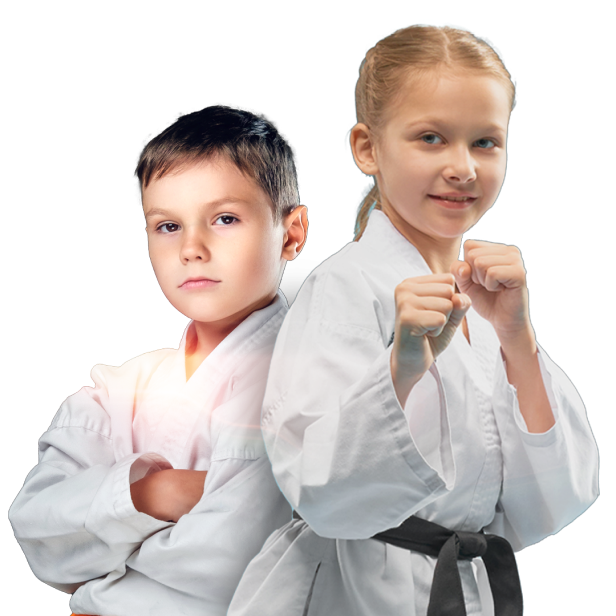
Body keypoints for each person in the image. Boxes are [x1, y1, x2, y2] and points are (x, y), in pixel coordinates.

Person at [228, 22, 599, 616]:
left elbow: (556, 497)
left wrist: (517, 337)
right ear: (367, 148)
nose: (464, 168)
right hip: (353, 589)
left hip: (462, 585)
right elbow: (318, 489)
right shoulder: (343, 285)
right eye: (431, 138)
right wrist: (399, 368)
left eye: (486, 142)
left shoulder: (485, 296)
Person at [8, 104, 308, 616]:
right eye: (167, 226)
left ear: (292, 232)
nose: (192, 248)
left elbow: (230, 572)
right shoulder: (120, 388)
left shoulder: (310, 383)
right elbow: (36, 529)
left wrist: (93, 598)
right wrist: (150, 494)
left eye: (225, 218)